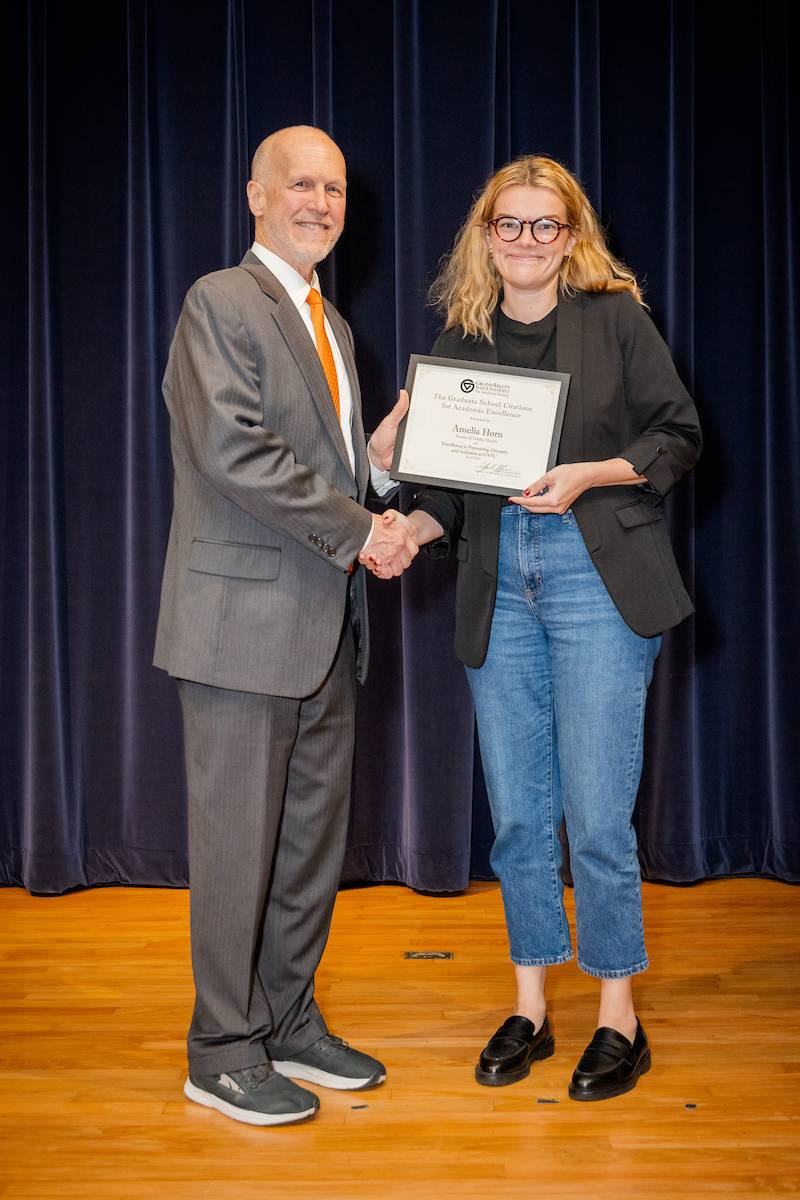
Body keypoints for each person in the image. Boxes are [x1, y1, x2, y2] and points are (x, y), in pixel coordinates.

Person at [363, 155, 701, 1101]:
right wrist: (400, 504)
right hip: (498, 583)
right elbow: (447, 498)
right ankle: (531, 1007)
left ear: (571, 236)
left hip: (598, 577)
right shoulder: (461, 339)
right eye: (508, 223)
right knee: (517, 817)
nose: (525, 240)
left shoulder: (615, 320)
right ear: (486, 236)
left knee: (596, 817)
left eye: (545, 224)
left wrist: (591, 473)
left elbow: (679, 435)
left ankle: (618, 1016)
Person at [154, 125, 415, 1126]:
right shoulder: (220, 302)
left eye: (334, 188)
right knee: (237, 850)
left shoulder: (331, 324)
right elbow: (235, 451)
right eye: (299, 183)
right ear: (256, 196)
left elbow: (321, 473)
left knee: (308, 847)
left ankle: (287, 1021)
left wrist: (376, 473)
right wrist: (363, 531)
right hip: (238, 631)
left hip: (323, 629)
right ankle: (221, 1049)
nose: (320, 202)